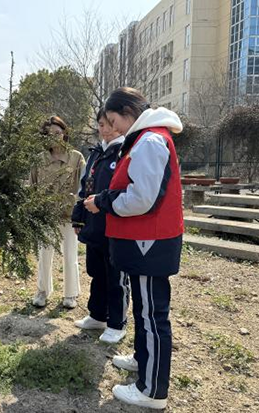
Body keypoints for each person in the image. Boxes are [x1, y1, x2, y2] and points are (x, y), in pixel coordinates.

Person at [84, 87, 183, 409]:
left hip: (149, 241)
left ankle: (152, 391)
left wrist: (104, 201)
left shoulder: (150, 141)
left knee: (152, 314)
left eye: (114, 121)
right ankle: (143, 359)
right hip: (144, 241)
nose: (114, 128)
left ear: (129, 112)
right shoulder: (145, 138)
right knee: (143, 309)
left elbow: (142, 199)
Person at [72, 108, 129, 344]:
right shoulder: (96, 153)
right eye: (101, 124)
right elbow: (85, 185)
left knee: (116, 276)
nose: (105, 129)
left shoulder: (126, 151)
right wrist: (78, 214)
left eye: (109, 124)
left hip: (116, 223)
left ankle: (117, 323)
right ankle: (98, 315)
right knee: (96, 272)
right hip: (94, 224)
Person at [30, 116, 86, 309]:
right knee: (44, 255)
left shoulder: (76, 157)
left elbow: (83, 187)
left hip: (69, 216)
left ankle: (70, 294)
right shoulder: (39, 159)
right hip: (46, 216)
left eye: (57, 133)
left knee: (70, 256)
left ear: (65, 133)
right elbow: (32, 186)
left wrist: (79, 214)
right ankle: (42, 291)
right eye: (48, 134)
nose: (54, 137)